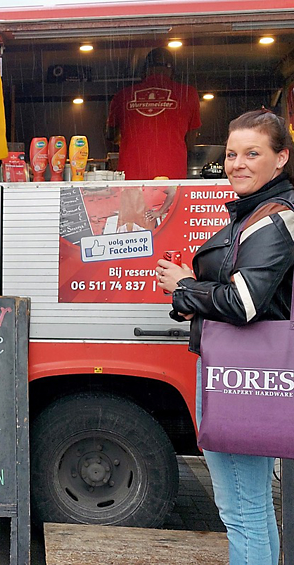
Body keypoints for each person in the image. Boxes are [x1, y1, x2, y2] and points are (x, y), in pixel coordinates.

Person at [157, 109, 294, 564]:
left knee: (242, 510)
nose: (237, 163)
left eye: (253, 153)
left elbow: (244, 303)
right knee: (252, 509)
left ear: (281, 159)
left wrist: (183, 286)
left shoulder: (272, 219)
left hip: (240, 377)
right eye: (232, 153)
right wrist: (186, 294)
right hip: (236, 371)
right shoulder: (254, 213)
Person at [107, 47, 201, 180]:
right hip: (172, 177)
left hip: (131, 179)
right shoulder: (187, 94)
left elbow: (110, 135)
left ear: (145, 70)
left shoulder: (123, 96)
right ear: (171, 69)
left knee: (133, 201)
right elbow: (191, 142)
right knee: (170, 202)